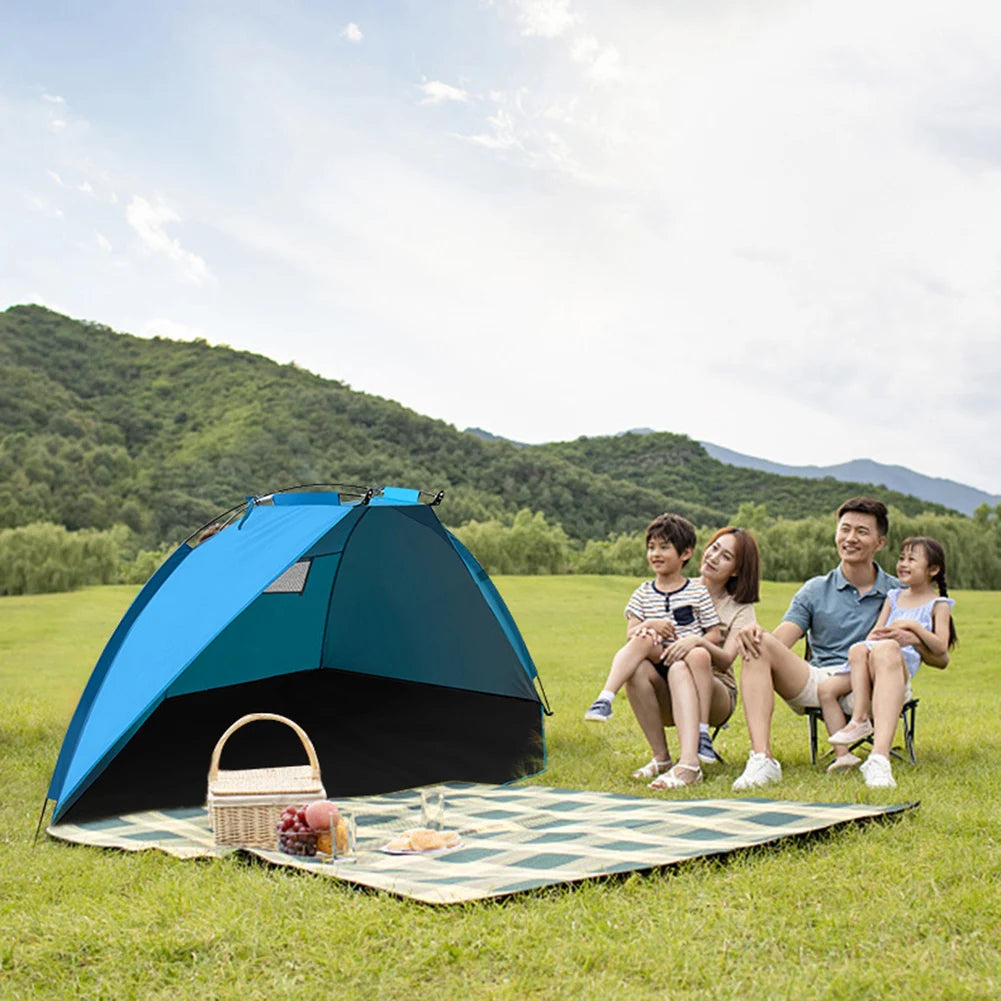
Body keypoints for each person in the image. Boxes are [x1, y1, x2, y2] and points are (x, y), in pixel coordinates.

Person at [731, 497, 949, 791]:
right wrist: (755, 633)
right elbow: (780, 641)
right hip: (822, 680)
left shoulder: (900, 591)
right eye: (844, 529)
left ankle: (879, 760)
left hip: (879, 678)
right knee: (758, 644)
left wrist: (914, 639)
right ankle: (762, 759)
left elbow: (940, 659)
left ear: (880, 542)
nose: (850, 538)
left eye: (861, 531)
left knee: (884, 647)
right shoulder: (814, 589)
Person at [583, 515, 721, 786]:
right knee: (640, 646)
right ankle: (606, 699)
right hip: (656, 658)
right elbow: (631, 635)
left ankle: (691, 756)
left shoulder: (696, 592)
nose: (655, 554)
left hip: (688, 666)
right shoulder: (643, 593)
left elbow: (714, 634)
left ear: (686, 553)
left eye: (664, 547)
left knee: (690, 658)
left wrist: (693, 640)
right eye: (651, 547)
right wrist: (650, 624)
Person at [624, 525, 762, 790]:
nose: (713, 557)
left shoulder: (740, 608)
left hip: (715, 690)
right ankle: (662, 758)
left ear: (736, 569)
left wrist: (698, 641)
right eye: (713, 548)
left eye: (726, 556)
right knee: (637, 669)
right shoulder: (680, 587)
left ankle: (689, 765)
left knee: (684, 666)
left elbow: (724, 660)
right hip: (670, 680)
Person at [819, 536, 956, 787]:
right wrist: (882, 635)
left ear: (933, 570)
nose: (903, 564)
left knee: (880, 649)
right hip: (873, 657)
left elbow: (939, 647)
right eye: (901, 558)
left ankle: (866, 733)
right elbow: (876, 631)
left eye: (911, 560)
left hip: (897, 665)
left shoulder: (939, 605)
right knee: (853, 656)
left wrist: (912, 628)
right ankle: (850, 742)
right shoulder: (893, 596)